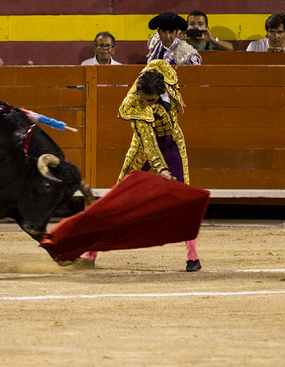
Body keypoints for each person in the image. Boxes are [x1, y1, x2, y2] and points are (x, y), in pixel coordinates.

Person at [80, 60, 202, 272]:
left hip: (173, 142)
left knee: (184, 198)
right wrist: (161, 168)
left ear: (160, 91)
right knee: (119, 198)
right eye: (143, 99)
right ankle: (91, 251)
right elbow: (148, 141)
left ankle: (193, 257)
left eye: (150, 100)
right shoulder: (133, 103)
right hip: (143, 149)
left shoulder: (164, 72)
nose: (145, 104)